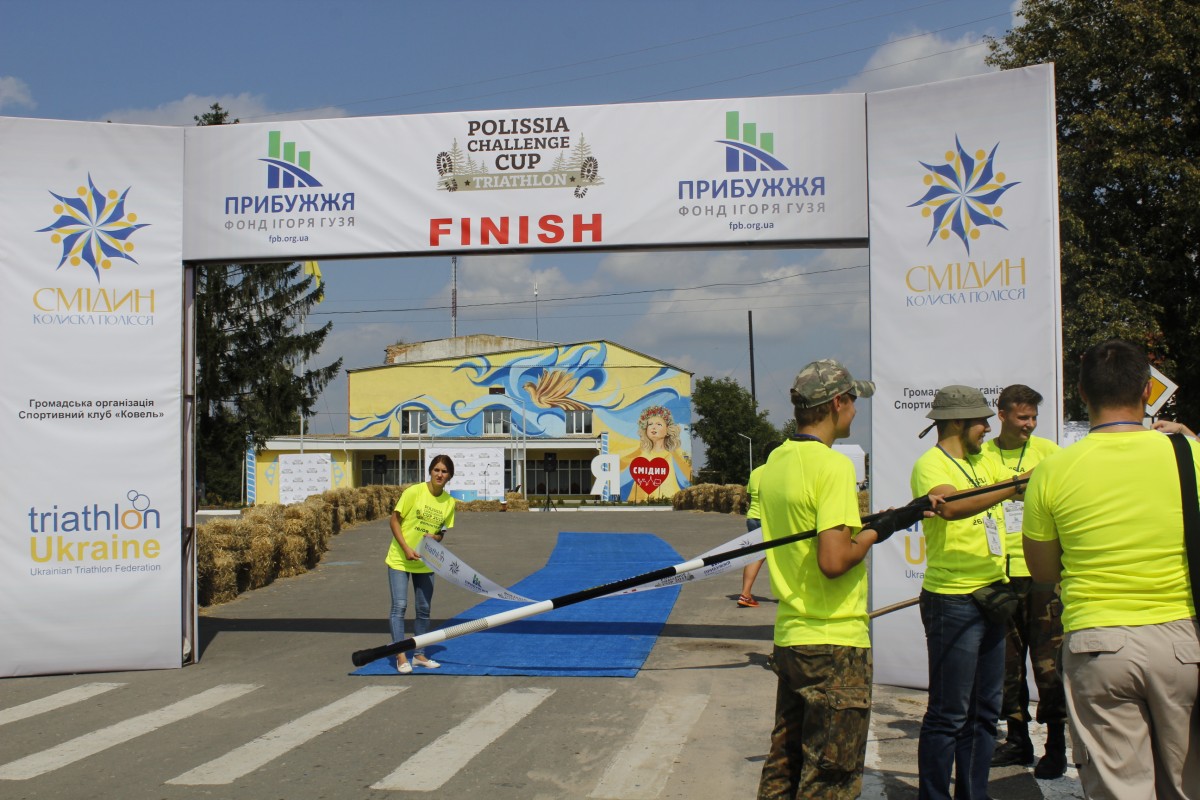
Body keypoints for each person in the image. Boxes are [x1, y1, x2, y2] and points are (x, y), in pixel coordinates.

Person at [1023, 339, 1199, 800]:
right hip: (1182, 643)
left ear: (1082, 393)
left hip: (1097, 644)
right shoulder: (1189, 456)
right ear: (1146, 391)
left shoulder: (1053, 470)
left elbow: (1043, 571)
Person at [757, 359, 935, 800]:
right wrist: (881, 529)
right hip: (834, 641)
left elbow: (812, 533)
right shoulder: (833, 466)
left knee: (784, 765)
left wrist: (883, 519)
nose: (856, 410)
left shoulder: (775, 461)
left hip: (792, 636)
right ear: (837, 403)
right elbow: (834, 560)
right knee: (831, 776)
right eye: (853, 401)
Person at [910, 385, 1027, 800]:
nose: (988, 428)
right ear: (957, 422)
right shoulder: (930, 464)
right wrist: (1015, 485)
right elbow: (951, 505)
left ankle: (974, 794)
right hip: (953, 600)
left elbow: (1015, 470)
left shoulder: (982, 461)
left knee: (984, 713)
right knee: (948, 714)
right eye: (982, 421)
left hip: (991, 593)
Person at [981, 385, 1067, 778]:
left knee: (1049, 663)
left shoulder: (1049, 454)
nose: (1029, 424)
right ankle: (1017, 740)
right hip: (1000, 573)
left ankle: (1056, 745)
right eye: (1022, 417)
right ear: (1002, 415)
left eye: (1033, 417)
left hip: (1042, 574)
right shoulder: (983, 455)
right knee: (1007, 664)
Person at [386, 454, 456, 674]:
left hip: (426, 562)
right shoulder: (414, 492)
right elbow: (394, 521)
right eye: (436, 470)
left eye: (444, 471)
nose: (439, 474)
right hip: (400, 558)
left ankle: (419, 655)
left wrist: (435, 538)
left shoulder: (449, 502)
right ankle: (400, 654)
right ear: (430, 471)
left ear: (449, 476)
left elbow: (441, 533)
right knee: (399, 606)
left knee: (424, 609)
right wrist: (406, 548)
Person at [620, 405, 692, 501]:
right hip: (640, 501)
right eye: (650, 424)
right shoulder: (641, 452)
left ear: (667, 430)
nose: (653, 427)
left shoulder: (673, 453)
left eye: (659, 424)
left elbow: (687, 469)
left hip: (668, 500)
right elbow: (620, 463)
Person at [737, 463, 766, 607]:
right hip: (768, 520)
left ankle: (745, 593)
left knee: (754, 555)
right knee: (784, 555)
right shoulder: (779, 471)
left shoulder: (756, 472)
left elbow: (749, 497)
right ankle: (745, 594)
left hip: (753, 517)